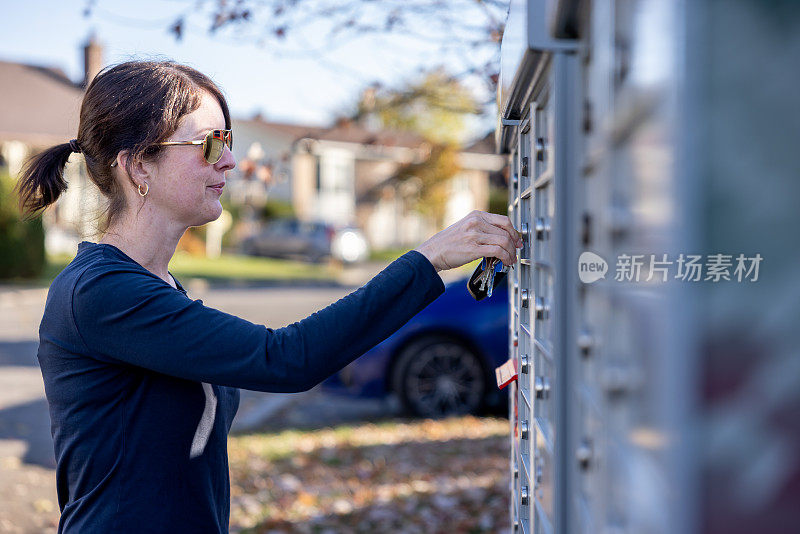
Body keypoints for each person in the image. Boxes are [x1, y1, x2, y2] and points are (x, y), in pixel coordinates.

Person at [14, 60, 523, 533]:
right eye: (210, 144)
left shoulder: (153, 285)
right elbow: (285, 359)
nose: (231, 160)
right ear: (139, 167)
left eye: (228, 140)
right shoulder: (100, 293)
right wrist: (428, 260)